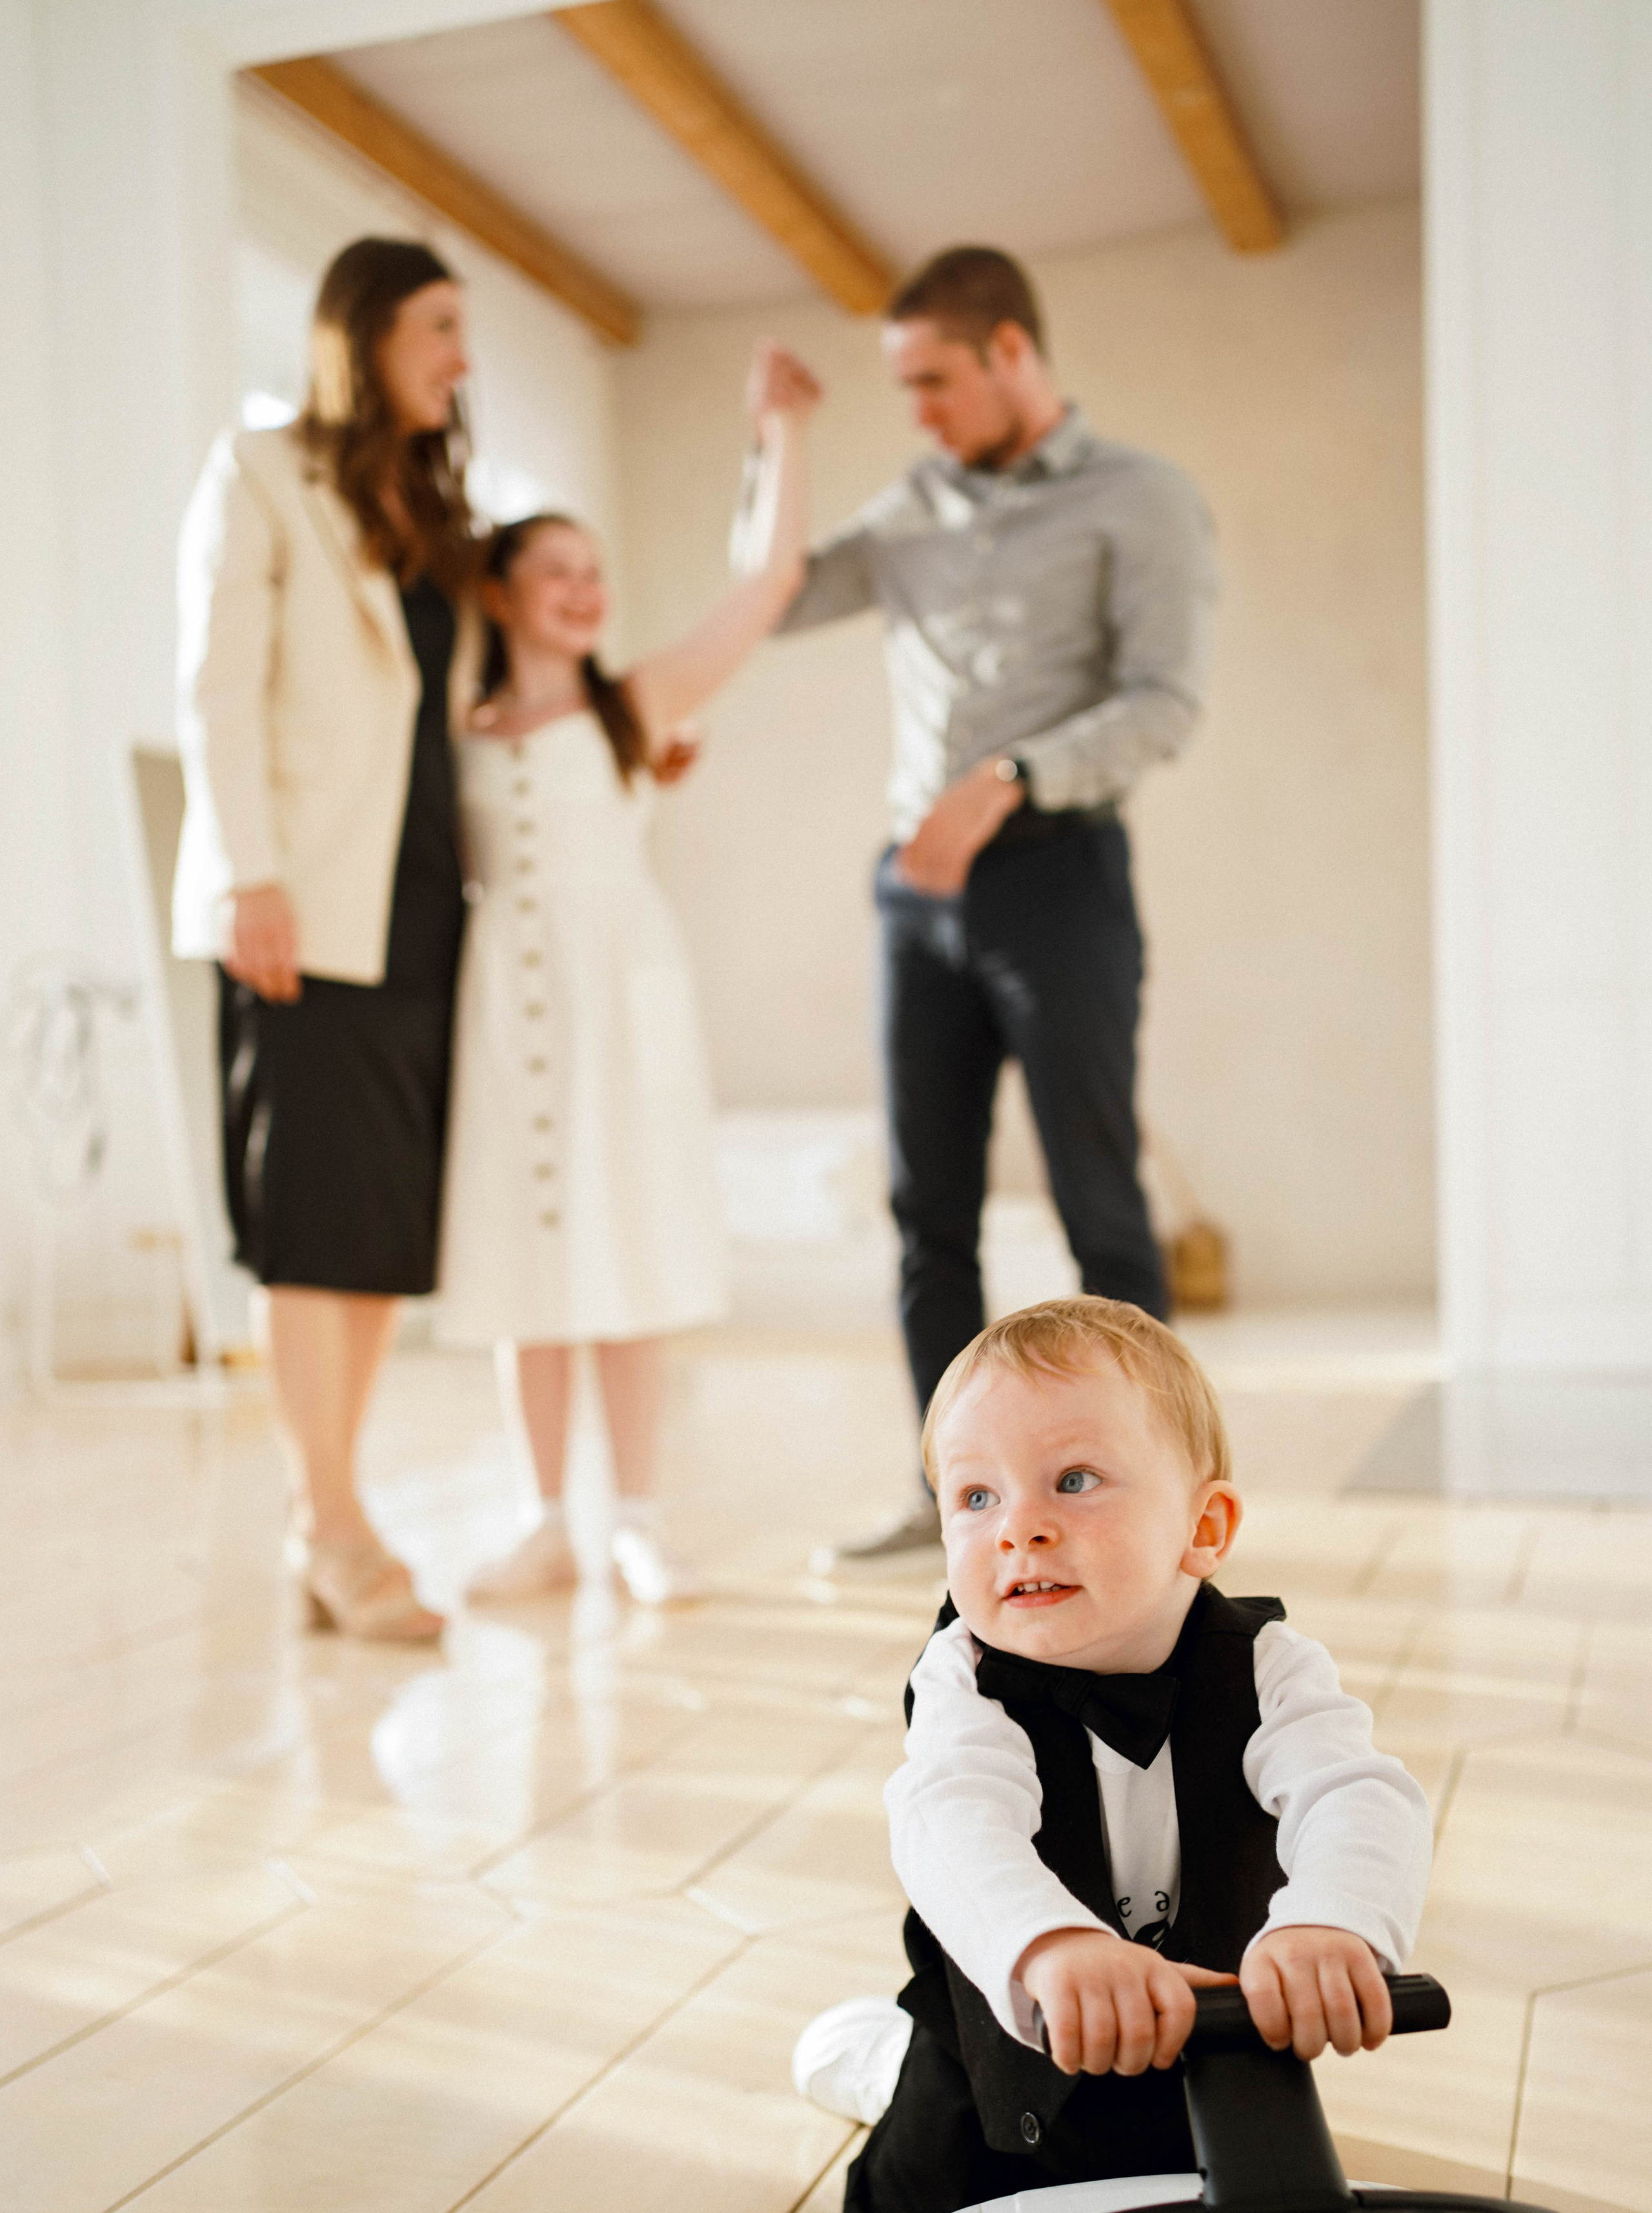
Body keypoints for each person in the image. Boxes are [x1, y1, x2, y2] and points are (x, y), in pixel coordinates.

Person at [737, 247, 1218, 1564]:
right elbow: (768, 596)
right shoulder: (910, 510)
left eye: (936, 382)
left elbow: (1164, 700)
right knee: (924, 1211)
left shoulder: (1142, 499)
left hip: (1056, 872)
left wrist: (1008, 781)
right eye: (903, 390)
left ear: (1012, 351)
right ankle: (953, 1501)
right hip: (914, 893)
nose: (922, 415)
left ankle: (1155, 1511)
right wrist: (779, 438)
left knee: (1095, 1201)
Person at [786, 1296, 1431, 2213]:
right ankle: (890, 2067)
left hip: (1197, 2029)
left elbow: (1354, 1791)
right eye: (976, 1498)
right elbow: (950, 1820)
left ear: (1203, 1526)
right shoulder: (965, 1678)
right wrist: (1050, 1946)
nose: (1022, 1530)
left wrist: (1333, 1920)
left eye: (1074, 1481)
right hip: (999, 2051)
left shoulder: (1271, 1667)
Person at [437, 343, 822, 1606]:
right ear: (495, 590)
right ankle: (545, 1519)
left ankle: (636, 1521)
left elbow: (765, 585)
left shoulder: (637, 706)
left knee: (625, 1246)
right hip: (504, 998)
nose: (583, 592)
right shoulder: (454, 728)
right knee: (522, 1260)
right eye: (555, 571)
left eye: (595, 573)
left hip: (619, 992)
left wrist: (778, 436)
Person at [174, 237, 483, 1641]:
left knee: (368, 1236)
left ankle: (329, 1511)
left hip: (420, 910)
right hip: (301, 905)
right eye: (437, 329)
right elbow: (216, 687)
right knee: (309, 1228)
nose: (459, 359)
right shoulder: (259, 474)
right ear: (363, 335)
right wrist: (251, 875)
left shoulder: (426, 510)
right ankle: (331, 1524)